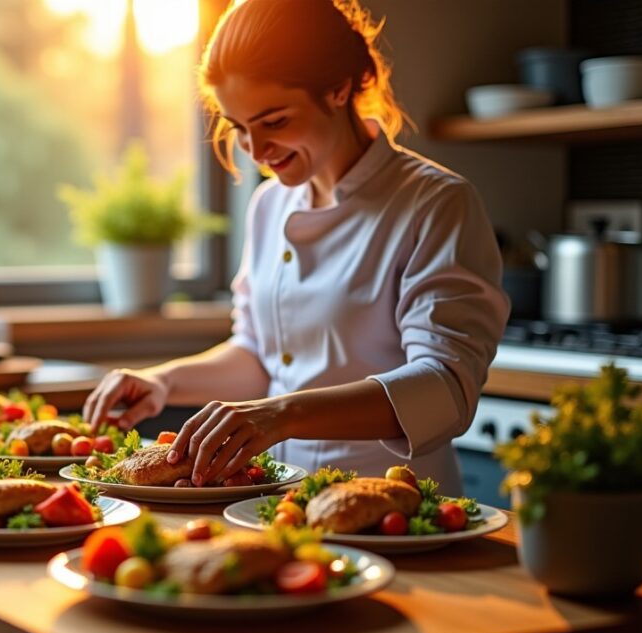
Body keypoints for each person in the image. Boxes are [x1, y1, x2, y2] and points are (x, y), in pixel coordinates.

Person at [82, 0, 509, 495]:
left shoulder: (435, 203)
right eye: (238, 127)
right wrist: (162, 382)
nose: (256, 151)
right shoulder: (268, 206)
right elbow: (260, 357)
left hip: (397, 507)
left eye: (275, 121)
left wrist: (281, 414)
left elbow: (445, 389)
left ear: (339, 89)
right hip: (277, 503)